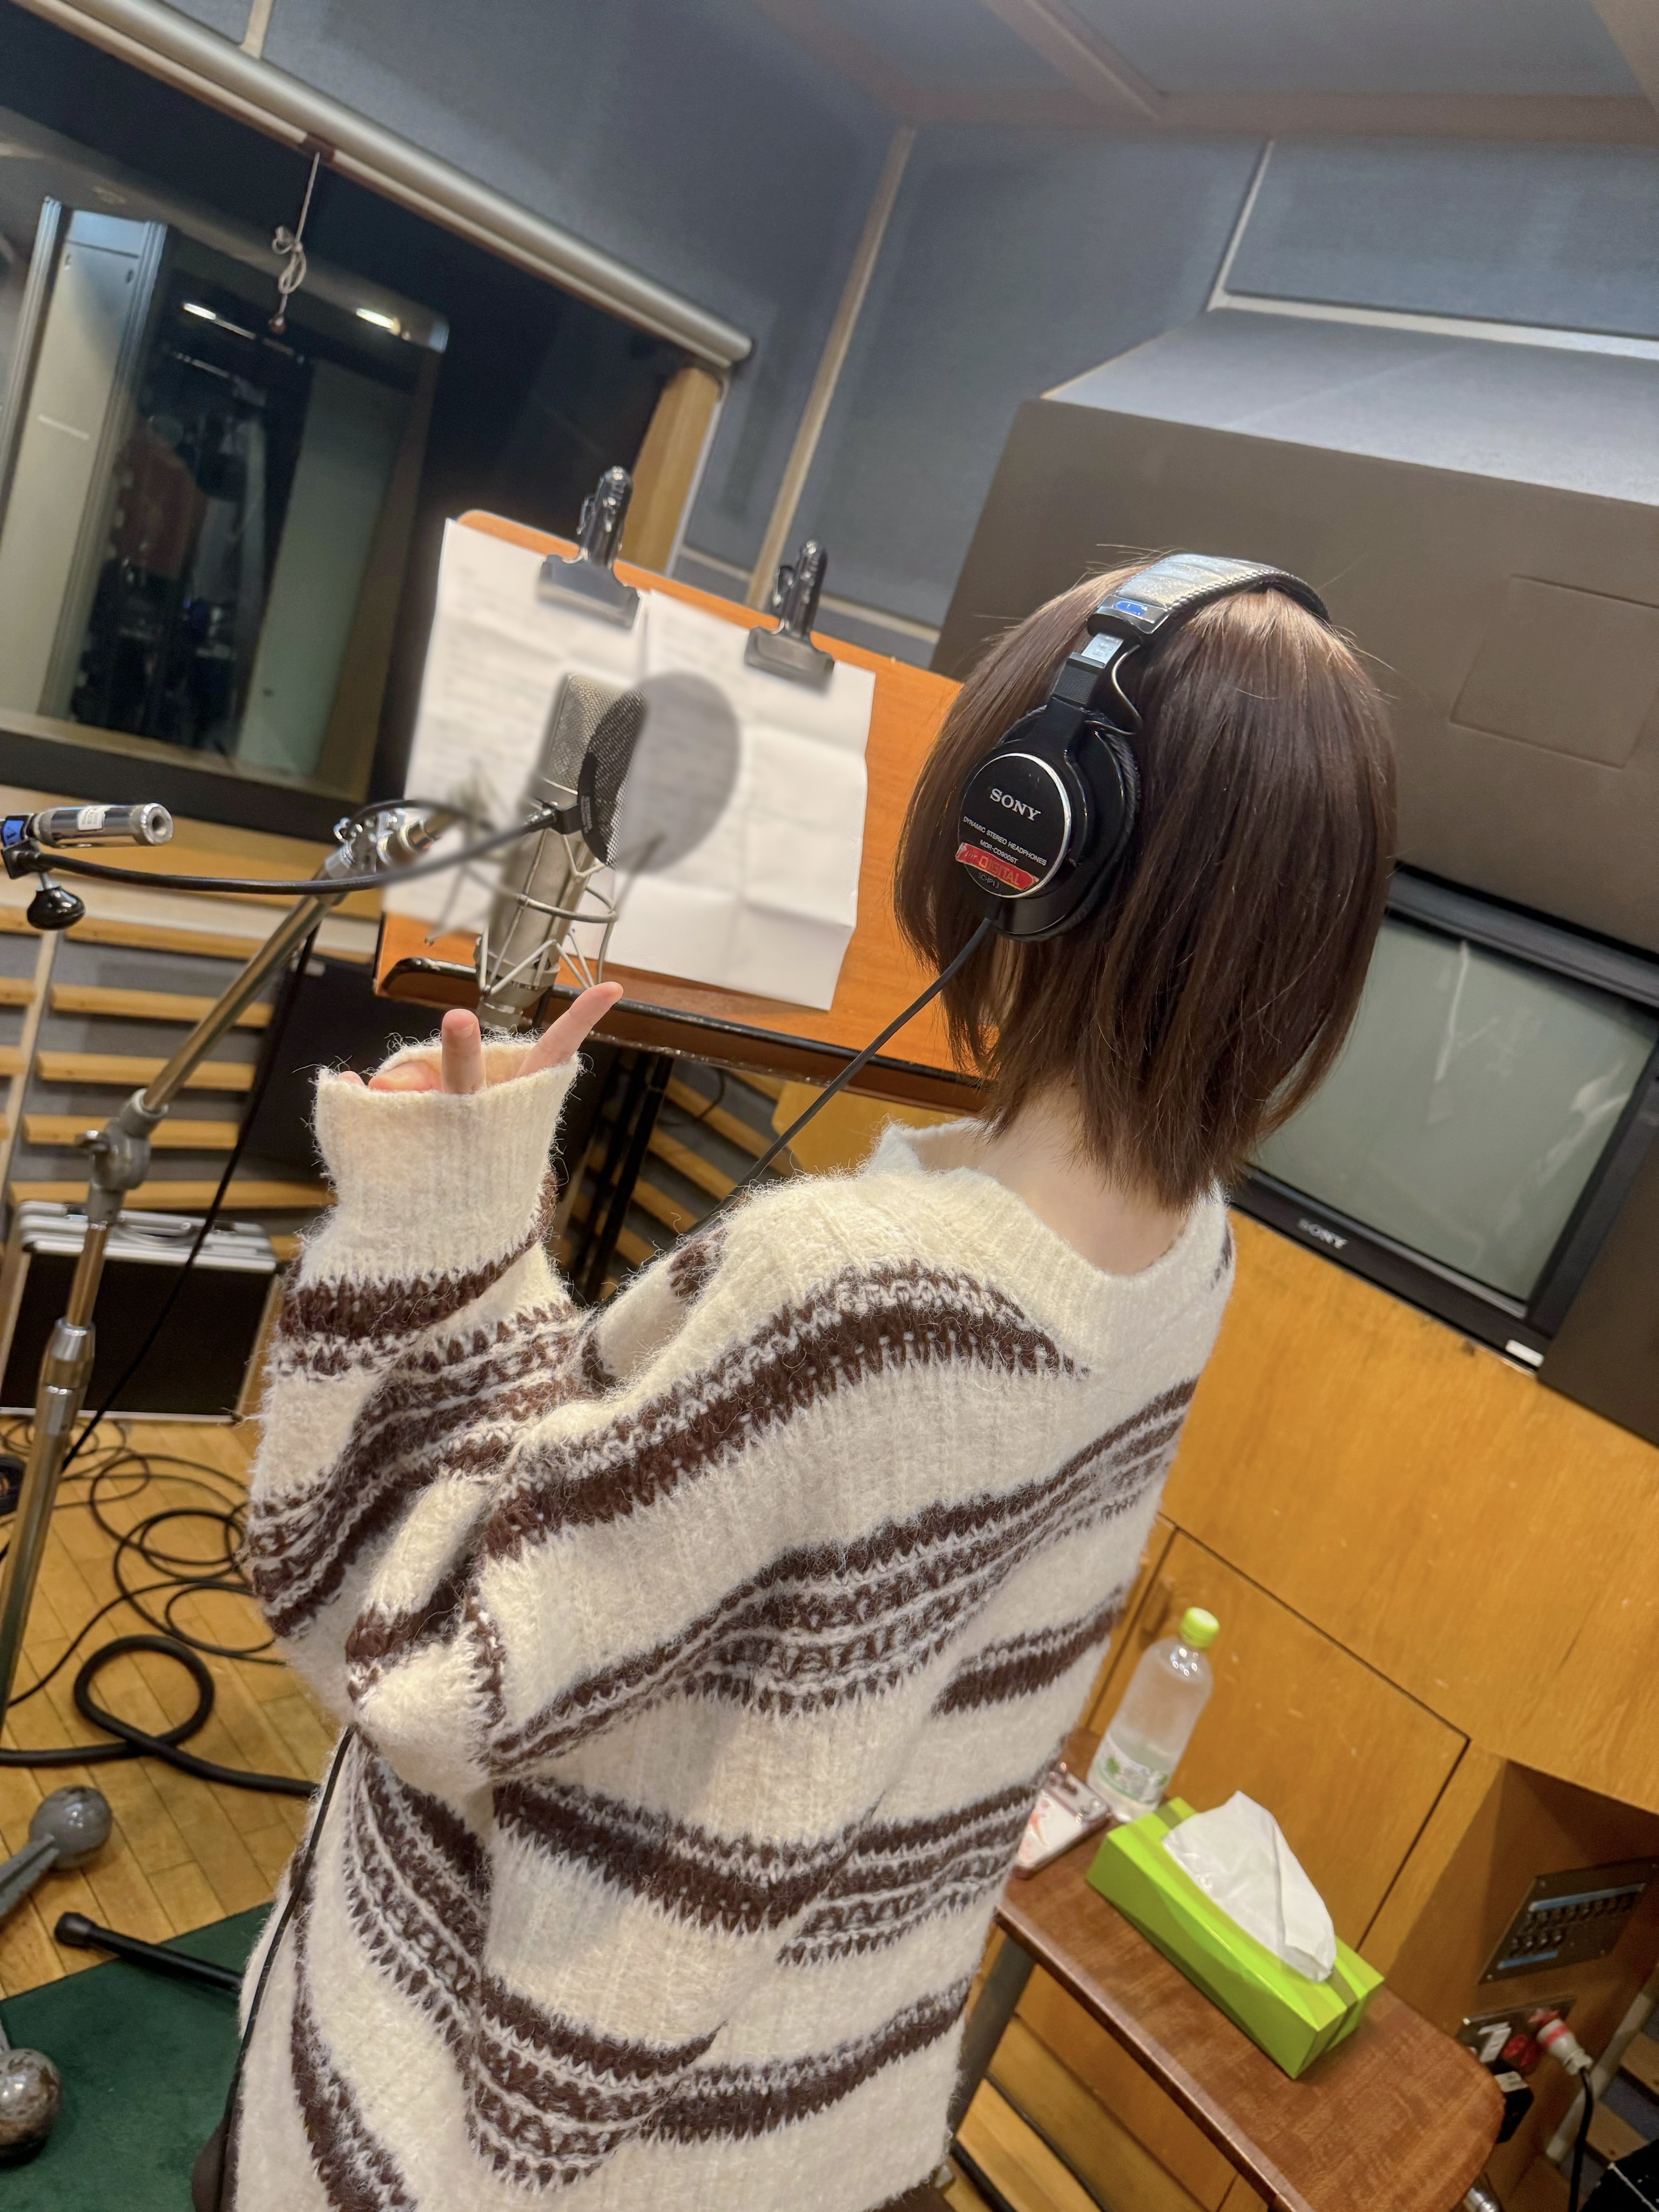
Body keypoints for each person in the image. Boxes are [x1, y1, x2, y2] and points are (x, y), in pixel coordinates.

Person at [230, 567, 1394, 2212]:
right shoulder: (1192, 1260)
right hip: (801, 2121)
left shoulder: (844, 1293)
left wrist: (446, 1222)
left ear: (1025, 835)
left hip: (515, 2148)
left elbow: (420, 1656)